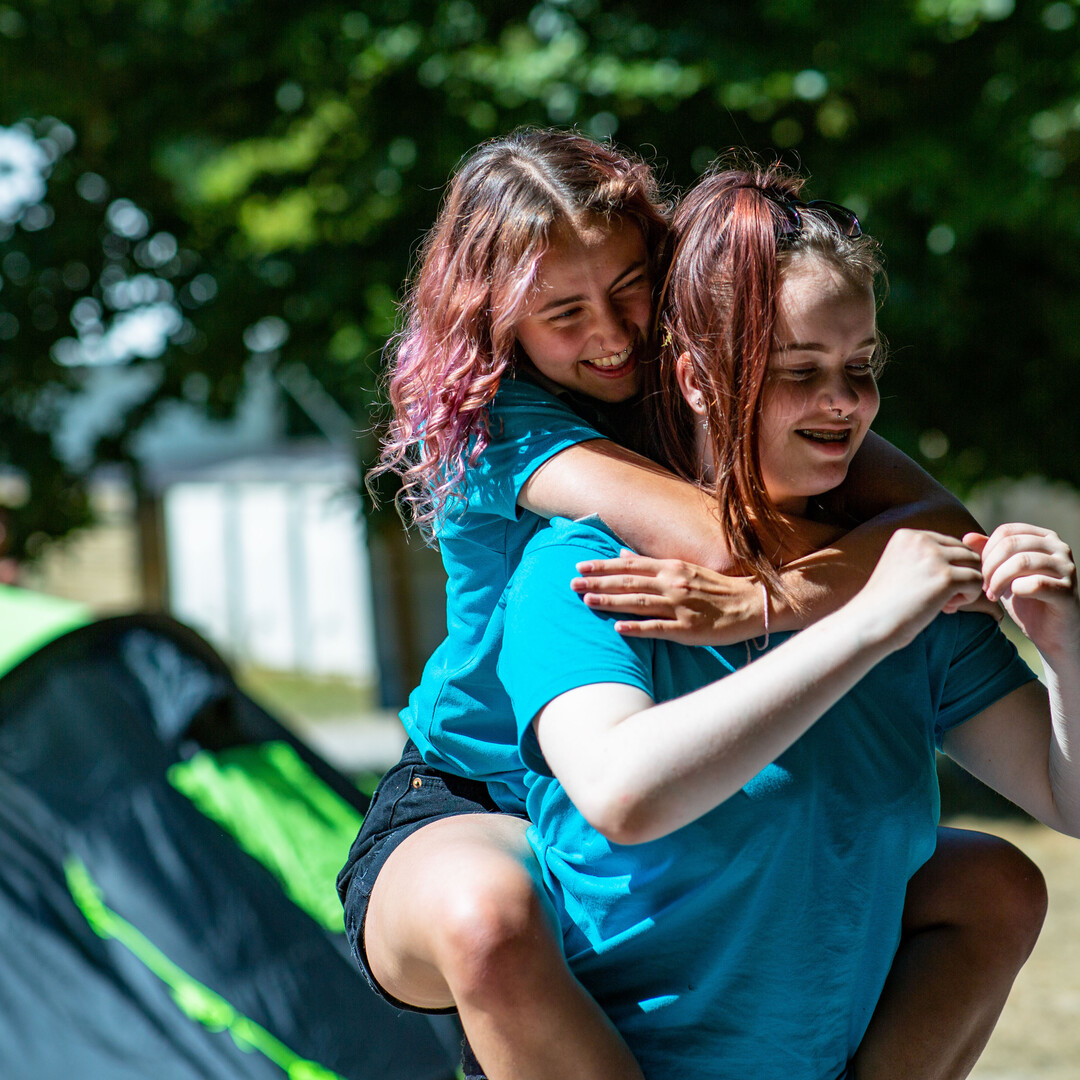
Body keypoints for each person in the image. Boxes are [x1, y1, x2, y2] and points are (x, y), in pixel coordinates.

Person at [337, 130, 1046, 1080]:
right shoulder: (503, 420)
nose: (613, 333)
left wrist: (801, 592)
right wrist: (821, 596)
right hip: (477, 789)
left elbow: (942, 528)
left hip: (600, 791)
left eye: (631, 285)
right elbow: (722, 541)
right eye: (564, 310)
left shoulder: (742, 375)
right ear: (497, 321)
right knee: (487, 919)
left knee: (990, 880)